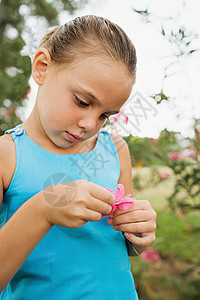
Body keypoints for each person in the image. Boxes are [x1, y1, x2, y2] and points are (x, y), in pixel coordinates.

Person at [0, 15, 157, 299]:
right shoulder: (6, 156)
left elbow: (124, 247)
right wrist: (43, 209)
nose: (90, 124)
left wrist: (139, 232)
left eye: (105, 115)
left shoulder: (116, 149)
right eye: (83, 102)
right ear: (42, 68)